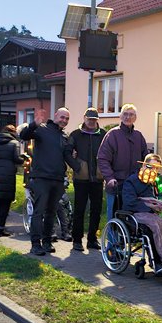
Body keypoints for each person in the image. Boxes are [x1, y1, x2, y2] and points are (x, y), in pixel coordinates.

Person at [19, 108, 77, 256]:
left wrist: (78, 166)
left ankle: (46, 242)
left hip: (57, 179)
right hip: (42, 178)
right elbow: (23, 135)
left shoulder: (64, 136)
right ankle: (35, 244)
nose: (64, 120)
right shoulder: (42, 129)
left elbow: (66, 156)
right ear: (55, 115)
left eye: (67, 119)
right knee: (39, 211)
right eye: (62, 117)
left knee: (51, 212)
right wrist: (33, 124)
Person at [121, 153, 162, 270]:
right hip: (137, 213)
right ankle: (157, 262)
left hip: (157, 213)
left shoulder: (159, 181)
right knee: (155, 225)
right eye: (151, 167)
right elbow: (129, 202)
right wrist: (150, 207)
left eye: (157, 168)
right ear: (143, 166)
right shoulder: (131, 181)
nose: (154, 170)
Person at [98, 104, 149, 222]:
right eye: (125, 114)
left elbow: (145, 159)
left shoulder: (138, 136)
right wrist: (109, 178)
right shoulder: (112, 135)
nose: (128, 117)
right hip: (116, 184)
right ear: (120, 116)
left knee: (131, 217)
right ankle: (112, 240)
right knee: (114, 216)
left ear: (135, 117)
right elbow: (102, 158)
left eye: (131, 114)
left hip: (134, 185)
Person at [68, 107, 106, 251]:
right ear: (84, 118)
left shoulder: (103, 134)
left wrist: (105, 170)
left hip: (97, 178)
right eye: (89, 119)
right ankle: (77, 240)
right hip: (81, 179)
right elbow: (67, 152)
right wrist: (76, 167)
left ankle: (92, 240)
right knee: (79, 210)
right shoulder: (76, 135)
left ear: (97, 120)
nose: (91, 122)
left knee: (96, 210)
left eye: (94, 119)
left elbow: (109, 153)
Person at [0, 124, 24, 237]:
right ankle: (0, 228)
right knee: (5, 204)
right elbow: (17, 158)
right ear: (13, 132)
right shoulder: (14, 143)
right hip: (8, 176)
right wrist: (25, 159)